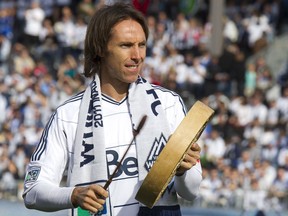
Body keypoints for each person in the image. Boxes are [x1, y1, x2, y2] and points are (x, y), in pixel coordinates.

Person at [22, 3, 202, 216]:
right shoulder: (68, 115)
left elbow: (191, 192)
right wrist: (74, 195)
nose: (137, 55)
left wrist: (182, 172)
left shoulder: (169, 103)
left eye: (142, 45)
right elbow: (33, 191)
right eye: (126, 45)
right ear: (100, 49)